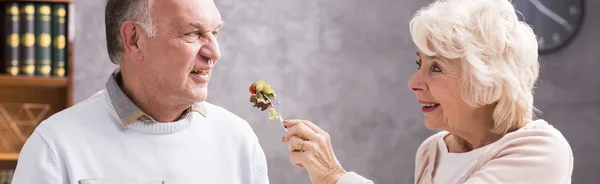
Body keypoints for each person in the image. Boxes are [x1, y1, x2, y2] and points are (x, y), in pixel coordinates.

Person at [281, 0, 573, 183]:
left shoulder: (541, 151)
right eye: (419, 63)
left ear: (487, 79)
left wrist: (334, 177)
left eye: (436, 68)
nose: (413, 82)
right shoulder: (433, 151)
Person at [11, 0, 269, 183]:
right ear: (134, 40)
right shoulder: (54, 148)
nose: (215, 53)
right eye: (193, 33)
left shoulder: (240, 142)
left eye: (215, 33)